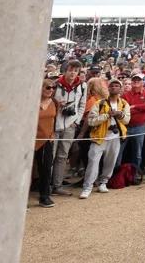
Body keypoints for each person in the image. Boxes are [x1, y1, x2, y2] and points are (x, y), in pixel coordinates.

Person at [80, 78, 129, 199]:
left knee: (110, 162)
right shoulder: (100, 103)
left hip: (115, 137)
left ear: (120, 89)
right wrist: (107, 116)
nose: (114, 87)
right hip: (99, 137)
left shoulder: (123, 104)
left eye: (117, 85)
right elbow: (91, 121)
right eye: (112, 85)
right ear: (108, 88)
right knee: (93, 162)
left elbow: (127, 120)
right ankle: (88, 187)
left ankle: (103, 182)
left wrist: (120, 114)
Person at [50, 60, 86, 197]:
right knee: (51, 156)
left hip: (70, 125)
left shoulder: (82, 86)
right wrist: (56, 103)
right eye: (71, 69)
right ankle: (46, 184)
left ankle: (57, 185)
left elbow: (81, 105)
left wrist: (76, 121)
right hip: (55, 124)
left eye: (76, 70)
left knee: (62, 155)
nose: (73, 73)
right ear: (65, 70)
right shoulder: (55, 84)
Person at [121, 75, 145, 183]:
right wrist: (141, 108)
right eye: (134, 80)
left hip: (140, 127)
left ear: (142, 83)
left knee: (137, 153)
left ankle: (134, 175)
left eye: (138, 80)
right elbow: (125, 110)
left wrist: (134, 107)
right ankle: (116, 175)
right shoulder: (125, 94)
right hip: (125, 127)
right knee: (119, 152)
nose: (136, 82)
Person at [34, 79, 59, 207]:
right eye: (48, 87)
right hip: (30, 139)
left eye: (53, 88)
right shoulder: (31, 101)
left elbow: (54, 119)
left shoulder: (54, 102)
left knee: (46, 168)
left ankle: (44, 196)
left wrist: (52, 134)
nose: (51, 90)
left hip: (46, 140)